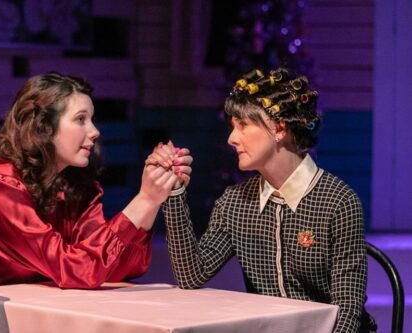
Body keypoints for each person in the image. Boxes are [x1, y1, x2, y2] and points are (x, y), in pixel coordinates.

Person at [0, 72, 192, 319]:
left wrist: (155, 197)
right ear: (43, 127)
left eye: (92, 120)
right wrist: (143, 199)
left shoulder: (77, 185)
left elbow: (120, 267)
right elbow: (77, 269)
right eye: (81, 119)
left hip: (31, 311)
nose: (95, 132)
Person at [148, 68, 375, 333]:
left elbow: (348, 310)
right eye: (233, 126)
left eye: (243, 125)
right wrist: (174, 192)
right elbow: (191, 275)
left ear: (279, 128)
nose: (231, 139)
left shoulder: (337, 201)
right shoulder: (236, 202)